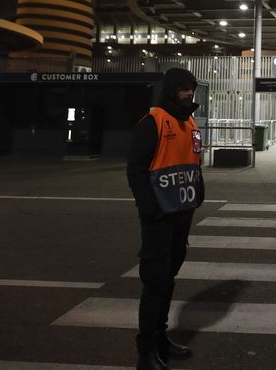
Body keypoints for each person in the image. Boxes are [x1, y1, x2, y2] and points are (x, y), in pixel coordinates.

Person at [126, 68, 204, 370]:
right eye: (183, 88)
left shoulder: (190, 122)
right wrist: (149, 208)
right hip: (159, 218)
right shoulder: (153, 122)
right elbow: (136, 169)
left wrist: (199, 192)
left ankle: (161, 338)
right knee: (155, 284)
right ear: (171, 90)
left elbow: (192, 161)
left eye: (191, 87)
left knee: (168, 281)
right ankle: (146, 352)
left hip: (181, 216)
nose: (189, 93)